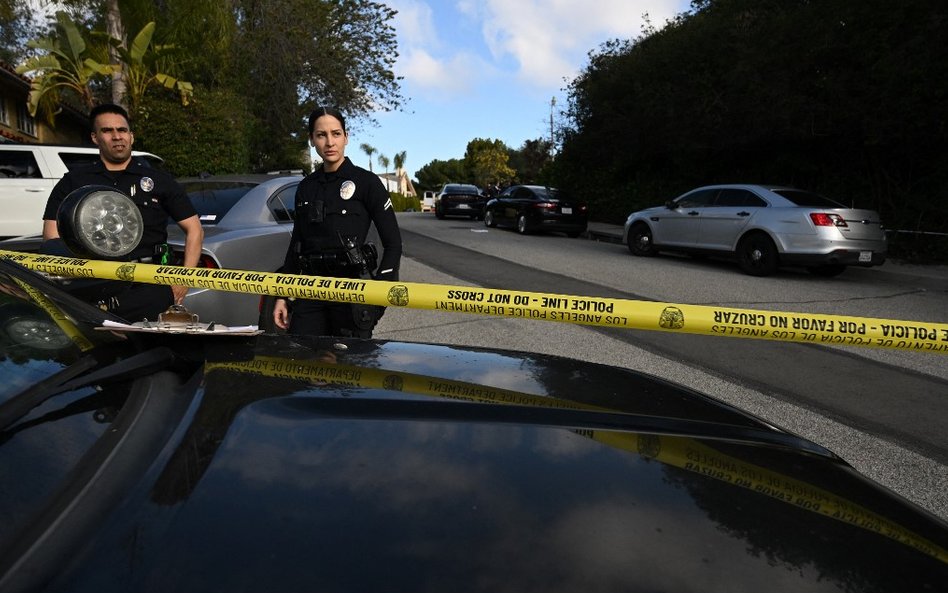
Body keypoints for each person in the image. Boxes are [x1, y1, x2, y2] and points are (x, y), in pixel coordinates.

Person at [42, 103, 203, 321]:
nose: (117, 136)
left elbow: (194, 230)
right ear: (95, 138)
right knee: (101, 353)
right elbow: (52, 237)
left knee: (152, 352)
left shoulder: (158, 180)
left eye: (122, 130)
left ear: (131, 136)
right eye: (107, 131)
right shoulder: (74, 181)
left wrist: (184, 278)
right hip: (91, 287)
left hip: (150, 286)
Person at [273, 107, 402, 338]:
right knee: (302, 364)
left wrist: (380, 296)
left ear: (346, 137)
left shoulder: (367, 183)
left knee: (350, 370)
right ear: (312, 140)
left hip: (352, 293)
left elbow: (393, 244)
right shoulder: (306, 187)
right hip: (311, 293)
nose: (329, 142)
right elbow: (296, 245)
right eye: (321, 135)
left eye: (336, 133)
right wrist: (282, 295)